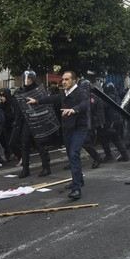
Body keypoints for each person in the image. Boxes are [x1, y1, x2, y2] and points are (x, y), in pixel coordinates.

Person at [28, 70, 89, 200]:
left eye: (67, 79)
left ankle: (76, 189)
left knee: (74, 154)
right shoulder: (63, 93)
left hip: (79, 128)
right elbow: (52, 99)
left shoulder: (81, 92)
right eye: (63, 79)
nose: (64, 82)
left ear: (74, 80)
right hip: (67, 129)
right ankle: (78, 180)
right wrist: (37, 101)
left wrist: (74, 110)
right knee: (71, 155)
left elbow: (85, 104)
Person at [12, 71, 53, 178]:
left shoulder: (38, 91)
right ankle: (25, 169)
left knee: (41, 145)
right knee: (24, 144)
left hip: (38, 120)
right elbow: (17, 108)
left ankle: (46, 167)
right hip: (26, 121)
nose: (27, 80)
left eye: (29, 78)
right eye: (25, 78)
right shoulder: (20, 91)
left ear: (33, 79)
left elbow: (45, 104)